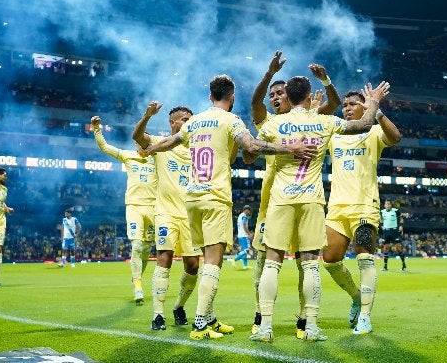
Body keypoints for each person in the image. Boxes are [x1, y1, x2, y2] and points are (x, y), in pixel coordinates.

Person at [142, 74, 317, 341]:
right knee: (213, 261)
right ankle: (200, 323)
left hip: (191, 198)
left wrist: (150, 149)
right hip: (215, 197)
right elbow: (252, 146)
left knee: (204, 259)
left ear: (210, 96)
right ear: (231, 97)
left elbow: (170, 142)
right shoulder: (231, 120)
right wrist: (288, 147)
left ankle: (209, 316)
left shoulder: (196, 120)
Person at [249, 77, 389, 343]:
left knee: (272, 261)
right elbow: (362, 124)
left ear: (287, 97)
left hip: (280, 199)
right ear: (308, 95)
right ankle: (310, 327)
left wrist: (280, 148)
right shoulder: (325, 123)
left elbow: (251, 150)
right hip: (312, 199)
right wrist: (372, 103)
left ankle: (265, 326)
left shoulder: (274, 122)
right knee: (312, 263)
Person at [246, 52, 341, 339]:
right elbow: (250, 155)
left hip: (285, 198)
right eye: (272, 94)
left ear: (289, 96)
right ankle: (262, 315)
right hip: (271, 202)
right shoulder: (269, 126)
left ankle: (302, 320)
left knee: (301, 261)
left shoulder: (305, 119)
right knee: (264, 262)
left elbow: (331, 105)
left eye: (279, 93)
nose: (275, 98)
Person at [323, 89, 401, 335]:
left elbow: (396, 136)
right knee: (330, 260)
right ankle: (357, 297)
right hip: (336, 208)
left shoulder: (373, 132)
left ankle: (365, 317)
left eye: (353, 104)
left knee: (364, 257)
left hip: (365, 206)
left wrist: (376, 111)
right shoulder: (334, 135)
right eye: (344, 105)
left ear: (364, 107)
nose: (346, 108)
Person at [132, 102, 201, 332]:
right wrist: (147, 115)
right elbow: (137, 136)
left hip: (190, 215)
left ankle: (179, 306)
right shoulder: (159, 144)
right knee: (165, 257)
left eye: (191, 118)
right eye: (184, 118)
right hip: (165, 212)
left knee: (193, 265)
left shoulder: (197, 148)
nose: (189, 121)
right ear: (173, 123)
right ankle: (158, 315)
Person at [91, 115, 157, 305]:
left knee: (146, 249)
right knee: (136, 246)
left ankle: (137, 277)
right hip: (134, 205)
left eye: (145, 141)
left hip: (153, 207)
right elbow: (105, 148)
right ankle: (138, 286)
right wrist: (97, 129)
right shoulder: (128, 156)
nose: (141, 144)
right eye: (139, 141)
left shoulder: (158, 158)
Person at [380, 199, 410, 272]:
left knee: (398, 247)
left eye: (389, 204)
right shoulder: (382, 212)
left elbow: (401, 218)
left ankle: (404, 265)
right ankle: (385, 267)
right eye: (386, 204)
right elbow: (380, 219)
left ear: (391, 205)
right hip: (386, 231)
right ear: (384, 205)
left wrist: (401, 226)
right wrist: (381, 226)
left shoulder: (395, 211)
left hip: (394, 231)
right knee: (385, 248)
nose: (387, 205)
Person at [232, 205, 253, 269]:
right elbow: (245, 226)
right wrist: (249, 234)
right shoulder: (244, 216)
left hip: (240, 235)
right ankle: (234, 259)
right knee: (247, 250)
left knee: (245, 251)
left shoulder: (240, 215)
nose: (250, 213)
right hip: (244, 236)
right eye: (249, 211)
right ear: (247, 210)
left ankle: (245, 265)